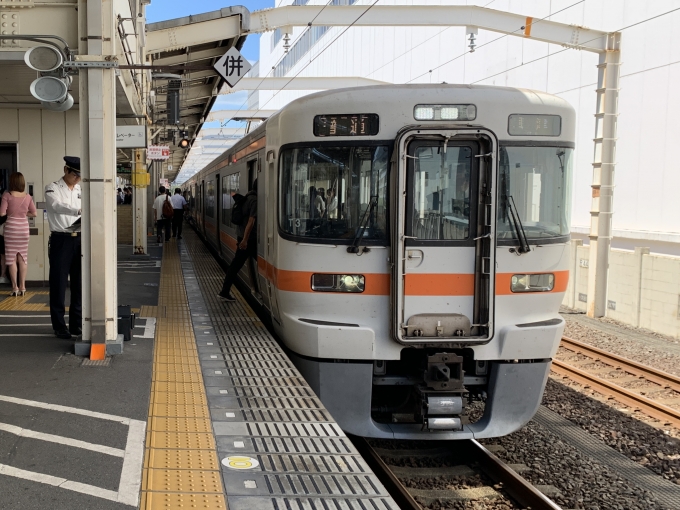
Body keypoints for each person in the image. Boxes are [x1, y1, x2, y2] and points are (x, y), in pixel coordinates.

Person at [45, 157, 82, 339]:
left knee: (79, 284)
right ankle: (59, 326)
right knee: (59, 284)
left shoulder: (80, 189)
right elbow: (56, 206)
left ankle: (76, 324)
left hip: (79, 240)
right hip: (61, 240)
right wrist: (77, 211)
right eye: (75, 174)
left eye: (80, 176)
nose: (78, 179)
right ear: (66, 170)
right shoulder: (52, 188)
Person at [219, 179, 257, 302]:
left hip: (242, 237)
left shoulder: (246, 197)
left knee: (235, 266)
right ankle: (224, 292)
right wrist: (245, 240)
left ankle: (224, 291)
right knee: (235, 266)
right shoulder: (255, 200)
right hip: (249, 240)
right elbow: (251, 221)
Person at [0, 173, 37, 296]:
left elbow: (1, 213)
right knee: (23, 258)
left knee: (11, 259)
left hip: (11, 229)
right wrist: (23, 214)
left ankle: (15, 288)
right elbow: (34, 213)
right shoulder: (28, 197)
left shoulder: (7, 195)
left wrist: (12, 213)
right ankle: (23, 287)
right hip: (23, 229)